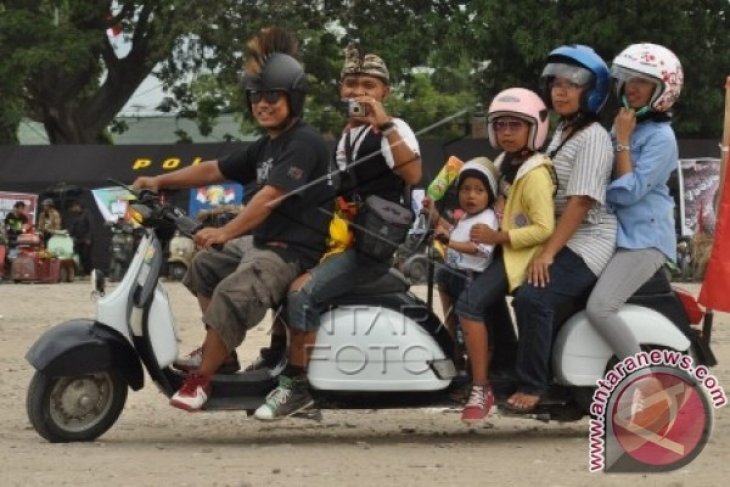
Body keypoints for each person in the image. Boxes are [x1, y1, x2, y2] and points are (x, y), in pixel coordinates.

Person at [132, 26, 333, 412]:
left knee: (233, 292)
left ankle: (202, 379)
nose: (263, 104)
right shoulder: (267, 145)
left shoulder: (304, 143)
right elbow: (214, 170)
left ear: (294, 98)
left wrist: (225, 231)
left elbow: (270, 198)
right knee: (205, 266)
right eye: (257, 96)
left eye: (273, 96)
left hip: (291, 251)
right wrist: (159, 179)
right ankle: (221, 355)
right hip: (263, 241)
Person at [253, 45, 422, 420]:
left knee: (301, 294)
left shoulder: (394, 128)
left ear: (384, 92)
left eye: (368, 86)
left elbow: (413, 175)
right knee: (282, 268)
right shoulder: (346, 136)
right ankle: (277, 360)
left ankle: (298, 389)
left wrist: (387, 124)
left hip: (371, 249)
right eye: (351, 85)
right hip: (340, 239)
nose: (358, 93)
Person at [504, 45, 617, 413]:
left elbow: (580, 203)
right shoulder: (562, 133)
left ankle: (536, 384)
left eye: (572, 84)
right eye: (555, 83)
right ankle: (505, 363)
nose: (560, 91)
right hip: (558, 235)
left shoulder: (594, 137)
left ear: (593, 91)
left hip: (587, 241)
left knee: (533, 296)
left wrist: (548, 253)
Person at [445, 88, 556, 423]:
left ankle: (481, 386)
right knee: (446, 277)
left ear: (533, 129)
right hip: (496, 251)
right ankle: (497, 365)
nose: (506, 132)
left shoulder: (534, 173)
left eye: (515, 126)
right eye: (501, 125)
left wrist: (499, 235)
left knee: (469, 305)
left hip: (515, 256)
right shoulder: (502, 164)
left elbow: (543, 228)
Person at [586, 44, 683, 360]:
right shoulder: (623, 123)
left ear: (663, 90)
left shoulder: (661, 138)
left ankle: (640, 375)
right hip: (613, 233)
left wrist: (623, 141)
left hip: (644, 239)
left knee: (600, 308)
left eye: (643, 81)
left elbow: (629, 192)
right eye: (629, 79)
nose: (632, 87)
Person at [68, 200, 94, 275]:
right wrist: (70, 235)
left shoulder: (87, 213)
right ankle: (82, 272)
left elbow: (91, 226)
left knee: (86, 256)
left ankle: (90, 272)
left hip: (86, 239)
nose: (73, 209)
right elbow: (73, 227)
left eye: (74, 207)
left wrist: (88, 238)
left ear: (78, 206)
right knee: (79, 256)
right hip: (77, 239)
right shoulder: (75, 215)